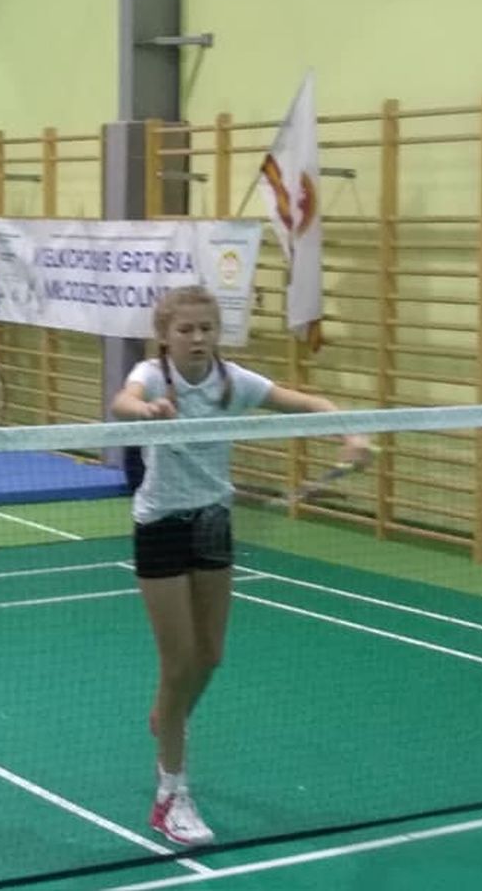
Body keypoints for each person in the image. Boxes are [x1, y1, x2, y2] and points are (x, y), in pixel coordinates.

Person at [109, 286, 370, 848]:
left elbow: (313, 404)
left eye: (207, 328)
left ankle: (168, 716)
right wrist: (147, 411)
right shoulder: (152, 376)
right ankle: (171, 795)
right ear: (165, 335)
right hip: (161, 527)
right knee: (179, 662)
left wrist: (351, 434)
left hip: (213, 523)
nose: (198, 337)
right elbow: (122, 403)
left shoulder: (234, 381)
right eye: (186, 329)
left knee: (210, 656)